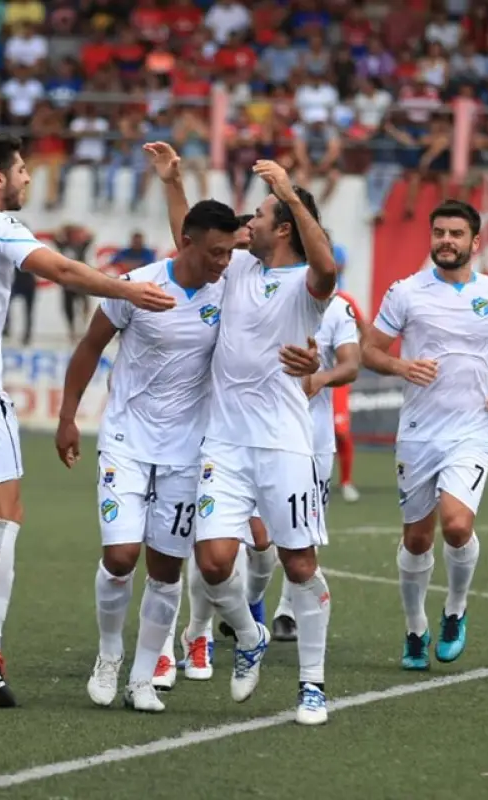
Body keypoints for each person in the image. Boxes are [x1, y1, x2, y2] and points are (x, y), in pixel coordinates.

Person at [0, 133, 175, 708]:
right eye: (22, 169)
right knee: (4, 516)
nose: (27, 178)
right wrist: (129, 289)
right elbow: (64, 270)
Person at [154, 141, 340, 725]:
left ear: (282, 227)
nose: (247, 223)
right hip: (225, 445)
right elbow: (193, 239)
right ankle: (249, 635)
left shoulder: (307, 287)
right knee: (211, 563)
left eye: (258, 216)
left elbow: (328, 266)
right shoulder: (234, 268)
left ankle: (312, 684)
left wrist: (287, 190)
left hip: (285, 445)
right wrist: (172, 182)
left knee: (301, 564)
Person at [55, 199, 243, 714]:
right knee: (120, 557)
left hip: (188, 451)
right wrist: (69, 416)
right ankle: (109, 655)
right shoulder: (136, 285)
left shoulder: (229, 292)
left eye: (229, 253)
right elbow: (91, 346)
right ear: (186, 242)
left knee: (165, 569)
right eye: (215, 253)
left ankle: (143, 677)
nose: (223, 262)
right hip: (126, 442)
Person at [361, 199, 488, 670]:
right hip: (417, 432)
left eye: (455, 234)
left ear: (475, 242)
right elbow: (370, 351)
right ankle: (415, 628)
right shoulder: (406, 292)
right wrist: (401, 365)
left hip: (472, 428)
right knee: (416, 540)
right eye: (438, 233)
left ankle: (455, 609)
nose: (445, 241)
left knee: (456, 525)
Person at [269, 293, 361, 641]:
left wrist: (321, 377)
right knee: (255, 540)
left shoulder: (338, 307)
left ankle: (287, 611)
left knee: (304, 529)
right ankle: (245, 611)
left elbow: (352, 363)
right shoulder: (260, 295)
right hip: (260, 432)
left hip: (312, 439)